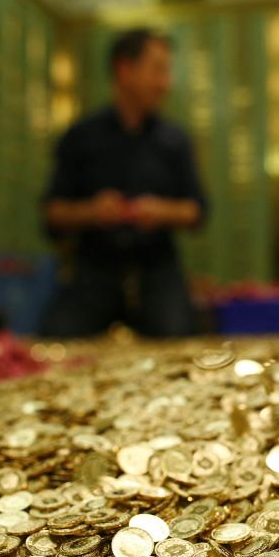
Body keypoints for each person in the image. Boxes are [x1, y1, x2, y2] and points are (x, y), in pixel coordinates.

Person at [41, 28, 207, 338]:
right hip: (95, 270)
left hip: (157, 270)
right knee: (56, 341)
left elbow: (197, 211)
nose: (165, 83)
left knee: (180, 345)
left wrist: (160, 212)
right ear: (124, 69)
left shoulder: (175, 140)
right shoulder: (81, 136)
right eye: (158, 70)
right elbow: (52, 213)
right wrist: (92, 211)